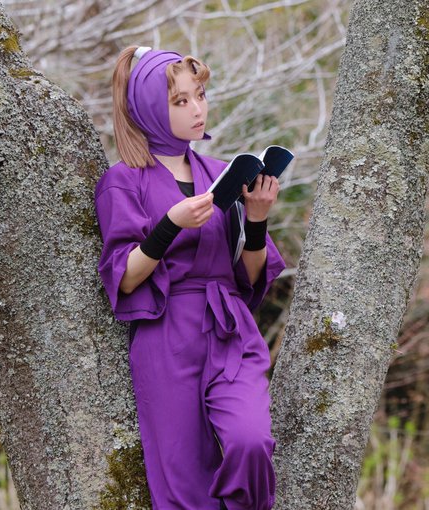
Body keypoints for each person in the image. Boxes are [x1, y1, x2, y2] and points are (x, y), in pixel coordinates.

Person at [94, 45, 286, 510]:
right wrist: (170, 224)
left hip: (229, 329)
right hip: (167, 338)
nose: (197, 109)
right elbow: (123, 278)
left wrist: (257, 219)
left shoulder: (221, 174)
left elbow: (252, 276)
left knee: (251, 442)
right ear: (148, 110)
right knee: (183, 482)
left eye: (200, 95)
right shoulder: (123, 181)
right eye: (181, 101)